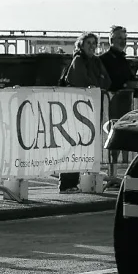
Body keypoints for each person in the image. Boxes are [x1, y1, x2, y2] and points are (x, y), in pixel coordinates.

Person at [58, 32, 110, 192]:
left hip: (91, 109)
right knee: (73, 144)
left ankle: (79, 180)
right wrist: (96, 83)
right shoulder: (78, 60)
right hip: (77, 110)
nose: (92, 46)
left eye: (94, 43)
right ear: (81, 45)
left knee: (84, 145)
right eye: (89, 43)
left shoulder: (96, 61)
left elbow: (107, 81)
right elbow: (80, 80)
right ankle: (67, 183)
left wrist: (96, 84)